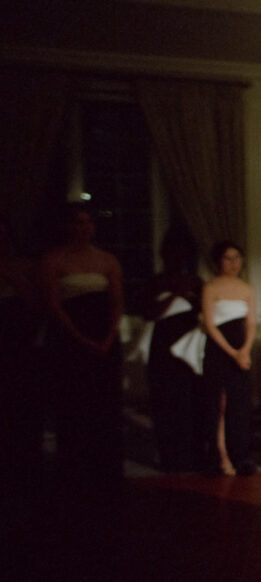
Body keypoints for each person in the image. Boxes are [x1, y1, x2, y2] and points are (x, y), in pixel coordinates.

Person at [39, 203, 125, 487]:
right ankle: (74, 470)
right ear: (67, 226)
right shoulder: (53, 259)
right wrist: (80, 338)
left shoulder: (107, 260)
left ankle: (106, 469)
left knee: (105, 403)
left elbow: (116, 304)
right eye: (78, 222)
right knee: (73, 403)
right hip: (69, 339)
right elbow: (53, 305)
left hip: (104, 336)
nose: (84, 227)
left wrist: (109, 337)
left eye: (88, 222)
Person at [142, 229, 205, 473]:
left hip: (190, 344)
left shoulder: (197, 282)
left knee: (192, 400)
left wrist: (194, 300)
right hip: (164, 345)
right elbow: (149, 313)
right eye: (175, 253)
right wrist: (175, 296)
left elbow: (206, 311)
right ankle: (170, 454)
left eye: (185, 253)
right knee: (166, 401)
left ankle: (195, 453)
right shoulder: (156, 281)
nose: (180, 258)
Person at [201, 241, 258, 476]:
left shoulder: (247, 289)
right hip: (218, 350)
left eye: (237, 258)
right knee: (219, 404)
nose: (233, 263)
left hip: (241, 348)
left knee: (240, 403)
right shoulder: (211, 287)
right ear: (218, 262)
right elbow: (210, 325)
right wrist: (232, 352)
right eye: (228, 258)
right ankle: (219, 455)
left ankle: (240, 455)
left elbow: (251, 323)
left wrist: (244, 350)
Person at [0, 216, 42, 470]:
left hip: (19, 341)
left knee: (21, 397)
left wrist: (12, 276)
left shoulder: (27, 265)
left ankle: (25, 456)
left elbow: (38, 306)